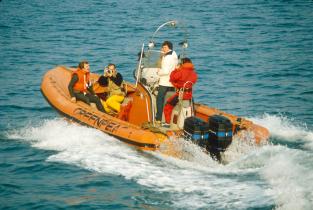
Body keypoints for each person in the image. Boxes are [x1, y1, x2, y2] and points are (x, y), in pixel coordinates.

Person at [163, 57, 198, 124]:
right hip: (189, 95)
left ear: (182, 63)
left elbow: (172, 78)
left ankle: (167, 123)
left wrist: (176, 70)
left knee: (168, 106)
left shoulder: (181, 71)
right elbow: (193, 81)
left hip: (181, 94)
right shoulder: (194, 73)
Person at [155, 41, 178, 123]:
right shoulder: (174, 55)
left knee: (159, 99)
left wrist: (158, 72)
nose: (162, 49)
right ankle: (168, 118)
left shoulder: (167, 58)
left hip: (165, 81)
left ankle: (159, 118)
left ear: (168, 48)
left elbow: (165, 71)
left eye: (164, 47)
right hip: (172, 82)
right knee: (169, 99)